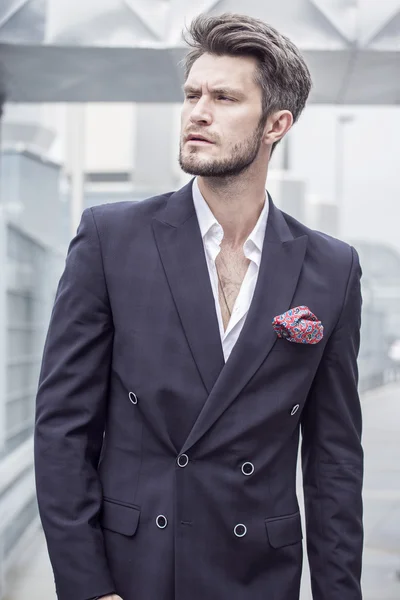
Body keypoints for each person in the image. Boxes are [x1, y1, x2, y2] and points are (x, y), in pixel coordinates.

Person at [34, 12, 363, 600]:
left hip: (258, 575)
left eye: (224, 97)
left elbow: (334, 458)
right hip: (137, 572)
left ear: (276, 124)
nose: (198, 112)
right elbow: (63, 428)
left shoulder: (331, 268)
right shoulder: (111, 239)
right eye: (192, 95)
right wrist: (89, 589)